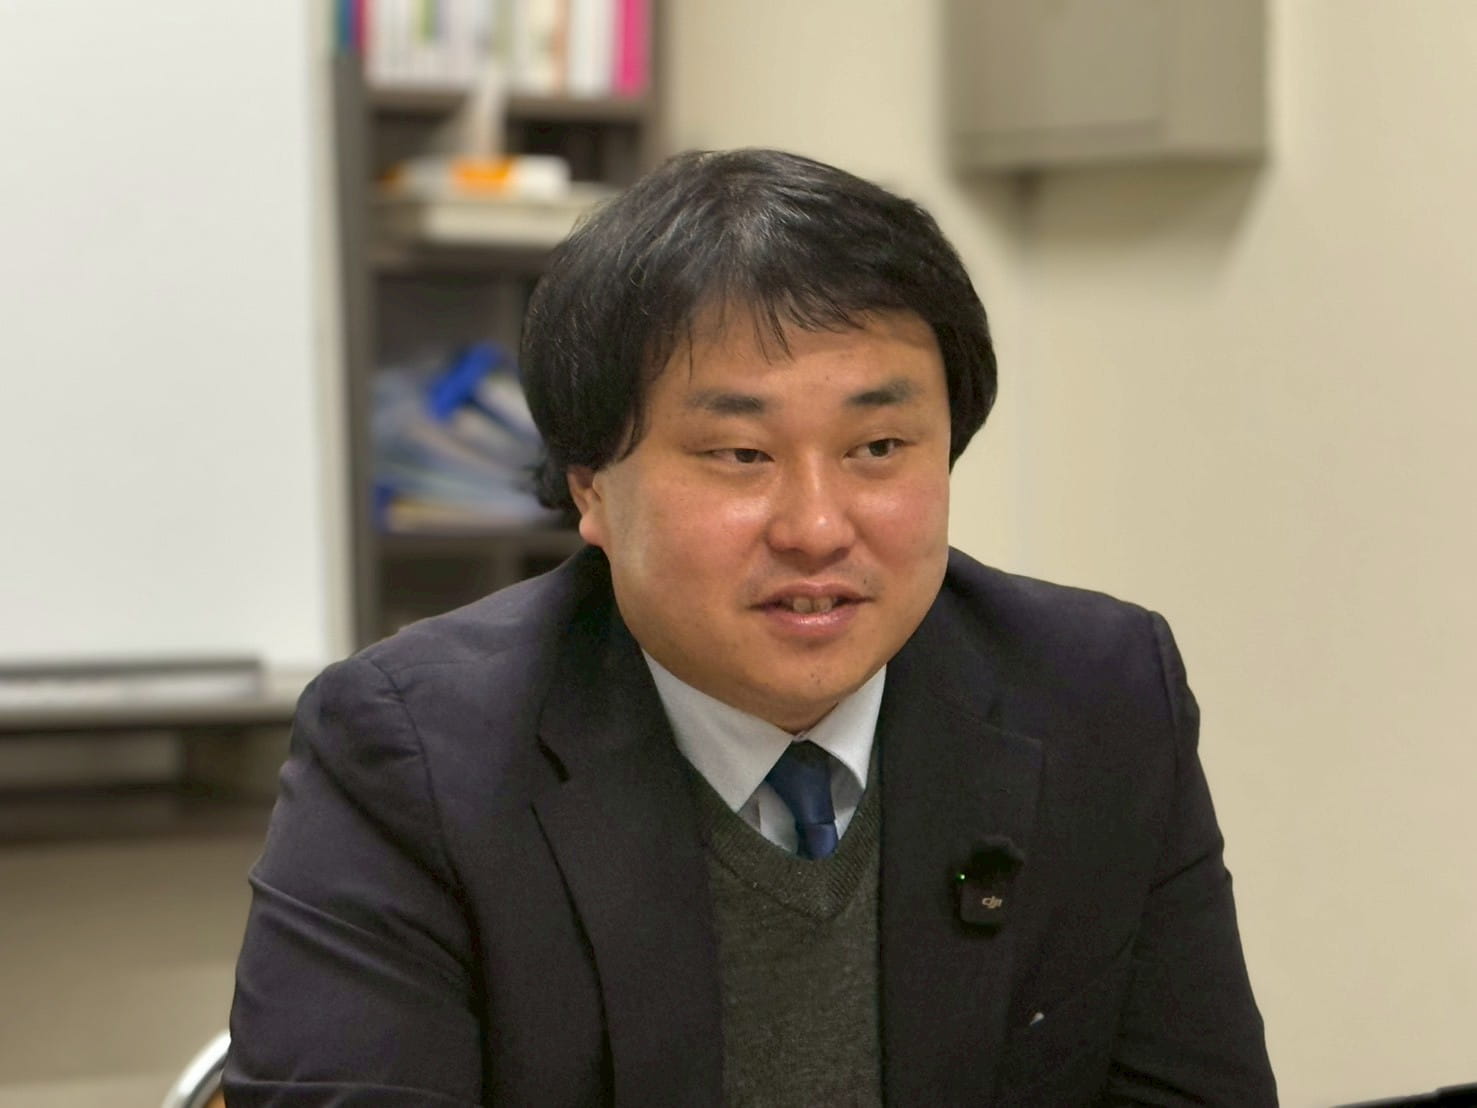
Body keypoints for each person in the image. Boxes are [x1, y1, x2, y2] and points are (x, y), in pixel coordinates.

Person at [227, 148, 1276, 1106]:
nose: (817, 527)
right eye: (740, 456)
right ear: (591, 490)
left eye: (878, 448)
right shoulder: (414, 756)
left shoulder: (1096, 697)